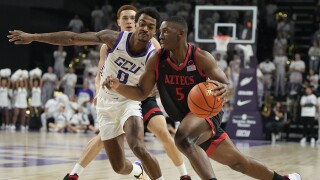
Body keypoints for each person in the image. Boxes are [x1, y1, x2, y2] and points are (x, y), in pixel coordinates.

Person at [105, 16, 301, 180]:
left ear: (180, 34)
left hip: (206, 112)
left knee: (181, 138)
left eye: (165, 31)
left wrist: (226, 89)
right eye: (161, 31)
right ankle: (284, 179)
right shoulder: (157, 59)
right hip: (189, 119)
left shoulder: (200, 57)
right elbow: (140, 92)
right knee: (238, 163)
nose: (160, 35)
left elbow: (227, 86)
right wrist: (119, 87)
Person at [8, 7, 165, 180]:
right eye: (142, 24)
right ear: (136, 24)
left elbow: (144, 92)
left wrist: (124, 87)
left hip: (129, 102)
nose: (145, 29)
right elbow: (72, 38)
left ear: (154, 31)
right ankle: (137, 170)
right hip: (105, 105)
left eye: (150, 27)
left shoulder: (153, 57)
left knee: (137, 147)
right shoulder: (113, 39)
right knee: (119, 167)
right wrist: (34, 37)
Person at [66, 5, 189, 180]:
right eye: (125, 18)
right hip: (115, 96)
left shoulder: (152, 44)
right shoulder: (109, 43)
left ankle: (184, 175)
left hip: (143, 96)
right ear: (118, 22)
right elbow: (101, 72)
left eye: (132, 18)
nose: (129, 21)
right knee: (104, 140)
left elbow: (164, 73)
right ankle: (76, 173)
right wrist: (98, 92)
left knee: (162, 132)